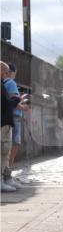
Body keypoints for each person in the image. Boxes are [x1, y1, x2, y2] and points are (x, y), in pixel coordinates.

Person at [3, 63, 26, 183]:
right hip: (14, 116)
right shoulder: (11, 82)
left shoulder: (3, 83)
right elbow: (13, 101)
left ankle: (6, 173)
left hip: (7, 116)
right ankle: (8, 173)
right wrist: (24, 107)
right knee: (13, 144)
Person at [1, 61, 20, 193]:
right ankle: (3, 180)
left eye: (7, 72)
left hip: (5, 121)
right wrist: (17, 99)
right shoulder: (6, 84)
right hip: (4, 123)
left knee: (5, 152)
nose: (6, 75)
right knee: (4, 152)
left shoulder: (2, 84)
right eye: (4, 71)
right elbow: (6, 103)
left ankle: (5, 179)